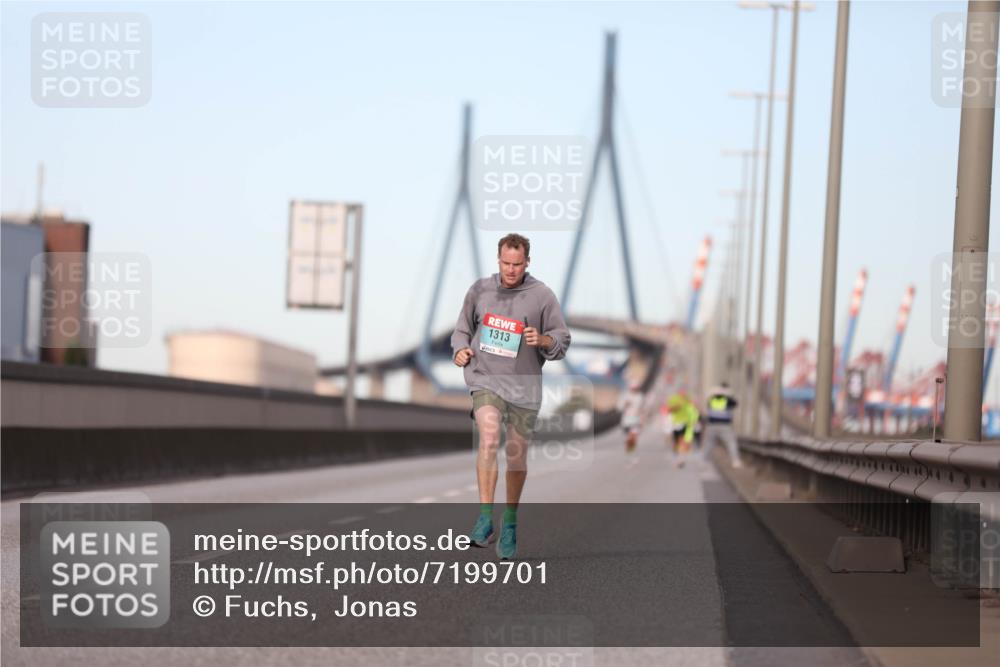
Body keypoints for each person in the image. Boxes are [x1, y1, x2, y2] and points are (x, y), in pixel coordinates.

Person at [452, 233, 570, 560]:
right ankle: (485, 518)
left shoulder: (542, 296)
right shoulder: (480, 291)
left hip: (524, 388)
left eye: (517, 264)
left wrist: (543, 340)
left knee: (516, 456)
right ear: (498, 259)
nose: (511, 270)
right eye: (506, 263)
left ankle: (511, 522)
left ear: (527, 263)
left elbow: (562, 339)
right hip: (486, 379)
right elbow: (462, 329)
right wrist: (460, 349)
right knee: (489, 437)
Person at [701, 382, 743, 468]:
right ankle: (735, 461)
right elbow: (735, 403)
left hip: (712, 424)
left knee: (708, 443)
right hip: (725, 425)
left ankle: (704, 460)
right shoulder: (728, 400)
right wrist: (729, 394)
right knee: (731, 443)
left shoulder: (712, 399)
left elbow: (708, 408)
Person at [666, 393, 699, 468]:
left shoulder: (687, 400)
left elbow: (693, 408)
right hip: (676, 424)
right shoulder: (674, 400)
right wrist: (676, 407)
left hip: (685, 423)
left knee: (683, 441)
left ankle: (681, 458)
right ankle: (678, 457)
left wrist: (694, 419)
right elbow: (669, 410)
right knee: (676, 442)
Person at [618, 381, 644, 453]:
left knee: (633, 435)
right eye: (633, 388)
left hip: (636, 419)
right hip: (627, 419)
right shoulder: (626, 396)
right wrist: (625, 404)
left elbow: (643, 409)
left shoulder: (640, 397)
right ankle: (629, 445)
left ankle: (631, 447)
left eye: (636, 388)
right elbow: (619, 407)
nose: (634, 390)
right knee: (629, 436)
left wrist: (642, 419)